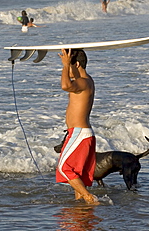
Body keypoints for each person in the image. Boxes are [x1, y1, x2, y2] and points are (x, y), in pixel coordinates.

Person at [56, 49, 99, 205]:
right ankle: (82, 213)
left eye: (71, 65)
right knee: (77, 175)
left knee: (64, 168)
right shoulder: (86, 81)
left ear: (78, 64)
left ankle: (90, 199)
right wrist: (68, 64)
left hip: (79, 134)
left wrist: (66, 66)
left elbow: (65, 85)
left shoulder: (83, 81)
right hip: (81, 134)